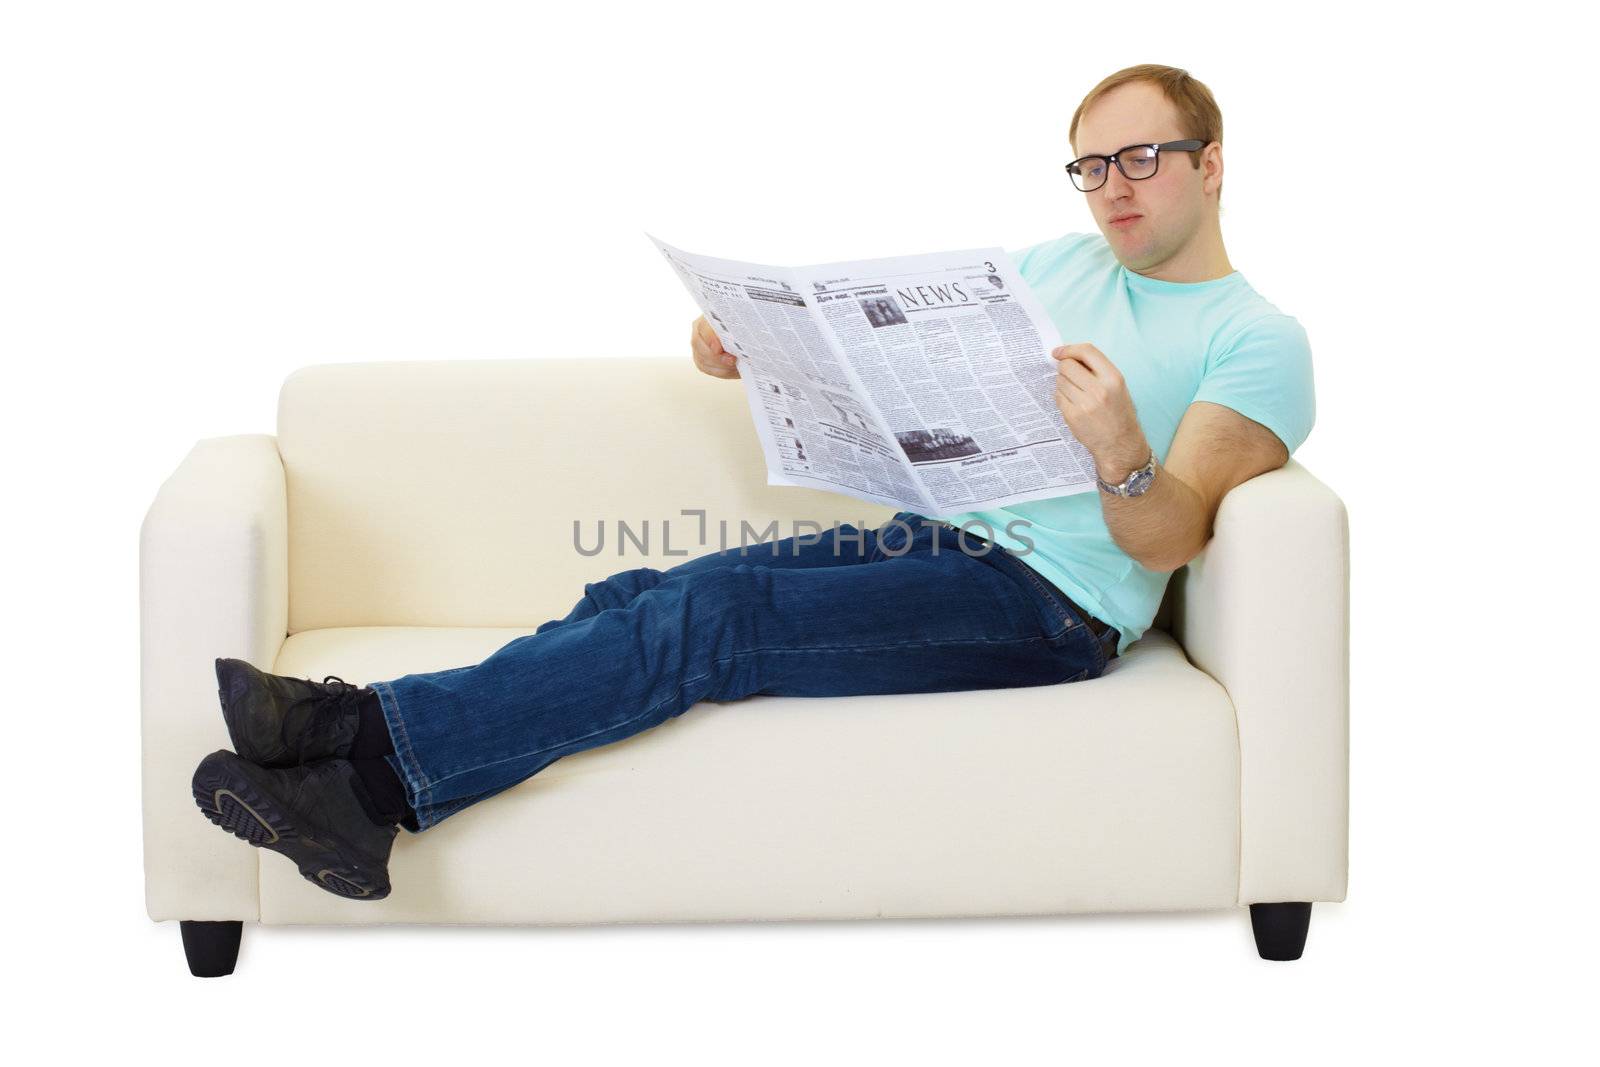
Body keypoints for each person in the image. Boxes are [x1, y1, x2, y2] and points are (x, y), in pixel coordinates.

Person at [190, 63, 1316, 902]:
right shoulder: (1056, 264)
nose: (1111, 190)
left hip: (1055, 607)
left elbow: (1168, 539)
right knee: (637, 595)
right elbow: (905, 376)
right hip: (940, 546)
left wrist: (1118, 445)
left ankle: (369, 773)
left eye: (1141, 159)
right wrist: (751, 347)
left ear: (1210, 163)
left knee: (711, 619)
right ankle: (353, 741)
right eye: (1090, 165)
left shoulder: (1255, 338)